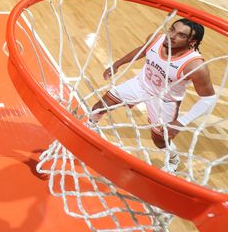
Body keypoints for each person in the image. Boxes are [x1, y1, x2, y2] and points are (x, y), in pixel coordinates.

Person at [90, 19, 216, 173]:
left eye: (181, 35)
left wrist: (181, 122)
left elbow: (209, 99)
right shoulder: (156, 39)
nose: (172, 36)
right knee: (98, 107)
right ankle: (91, 126)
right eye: (172, 29)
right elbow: (143, 50)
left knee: (159, 140)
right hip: (140, 85)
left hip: (164, 101)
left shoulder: (195, 66)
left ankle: (173, 159)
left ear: (192, 41)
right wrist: (118, 63)